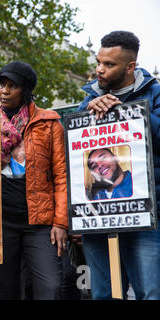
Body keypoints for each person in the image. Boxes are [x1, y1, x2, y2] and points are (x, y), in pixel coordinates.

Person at [77, 30, 160, 300]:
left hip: (145, 216)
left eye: (109, 64)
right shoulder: (89, 99)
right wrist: (90, 107)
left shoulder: (155, 93)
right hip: (97, 219)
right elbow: (75, 143)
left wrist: (129, 112)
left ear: (130, 66)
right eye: (98, 62)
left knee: (149, 292)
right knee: (103, 293)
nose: (99, 70)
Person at [0, 61, 68, 300]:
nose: (4, 90)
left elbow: (61, 176)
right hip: (0, 221)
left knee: (51, 287)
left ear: (26, 90)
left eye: (12, 86)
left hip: (40, 223)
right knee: (5, 290)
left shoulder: (49, 123)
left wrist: (61, 223)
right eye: (2, 84)